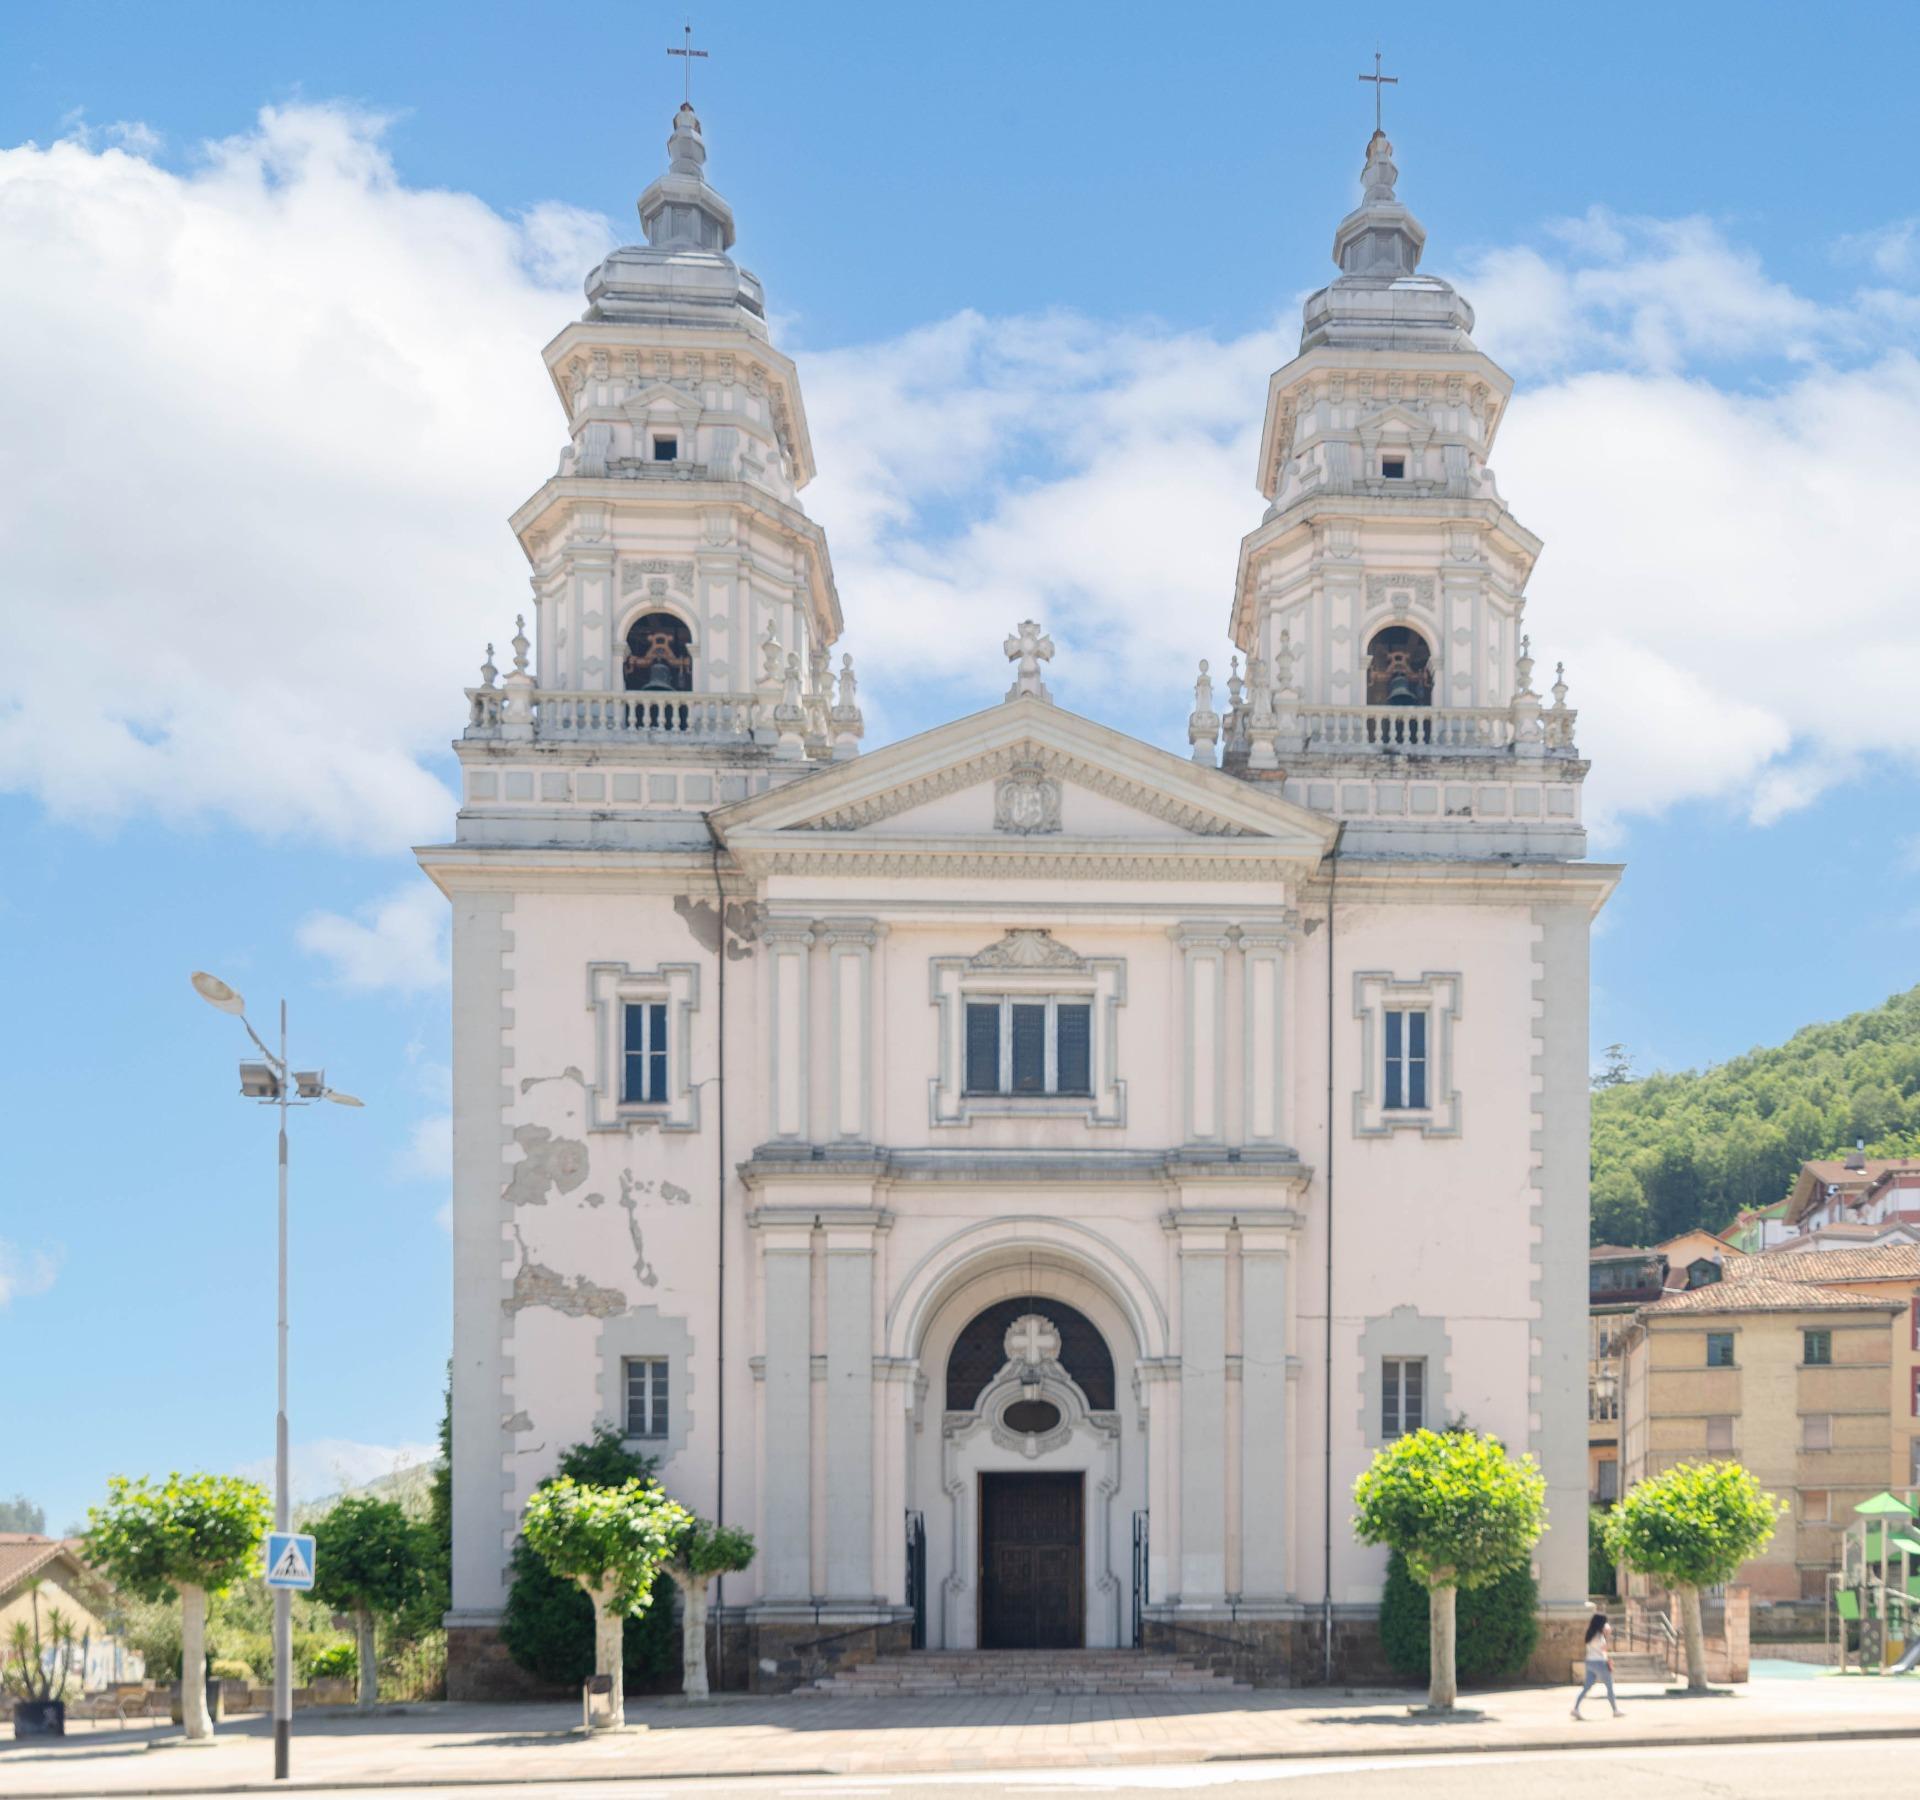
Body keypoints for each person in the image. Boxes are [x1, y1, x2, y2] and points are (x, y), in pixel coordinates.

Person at [1572, 1609, 1622, 1719]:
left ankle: (1575, 1708)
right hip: (1599, 1662)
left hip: (1589, 1662)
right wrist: (1607, 1635)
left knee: (1587, 1687)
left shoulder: (1589, 1634)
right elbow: (1604, 1649)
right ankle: (1615, 1710)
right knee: (1609, 1686)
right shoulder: (1599, 1636)